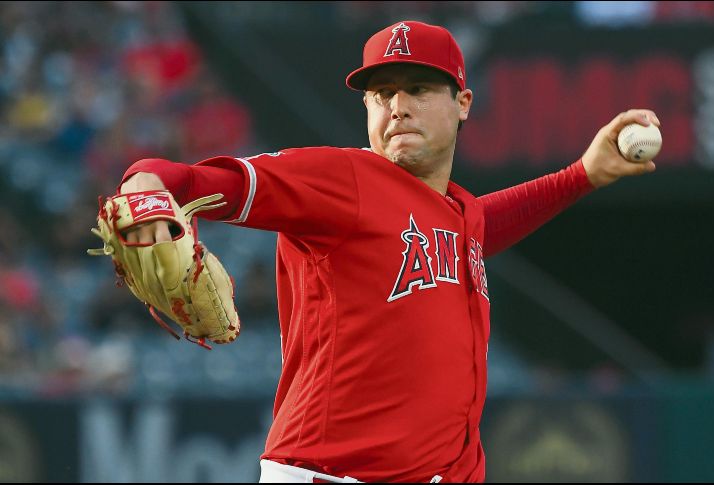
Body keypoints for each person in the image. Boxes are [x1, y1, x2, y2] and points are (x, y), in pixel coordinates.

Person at [116, 20, 658, 483]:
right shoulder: (342, 180)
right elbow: (203, 180)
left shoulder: (457, 212)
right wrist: (145, 185)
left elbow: (480, 228)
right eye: (382, 94)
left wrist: (580, 176)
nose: (398, 107)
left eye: (418, 89)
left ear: (463, 103)